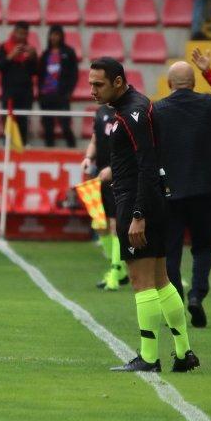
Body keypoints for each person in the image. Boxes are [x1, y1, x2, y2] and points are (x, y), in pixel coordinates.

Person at [88, 57, 199, 373]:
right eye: (91, 83)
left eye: (99, 84)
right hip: (152, 199)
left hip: (137, 202)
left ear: (118, 82)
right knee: (162, 280)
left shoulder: (131, 113)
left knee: (141, 282)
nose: (93, 90)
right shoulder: (135, 106)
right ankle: (183, 352)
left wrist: (138, 213)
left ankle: (149, 357)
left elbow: (146, 164)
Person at [154, 62, 211, 326]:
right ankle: (197, 294)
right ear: (194, 83)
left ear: (169, 84)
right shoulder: (208, 105)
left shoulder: (157, 109)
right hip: (206, 190)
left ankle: (176, 304)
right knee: (203, 247)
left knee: (171, 251)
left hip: (170, 192)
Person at [83, 98, 128, 290]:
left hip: (120, 176)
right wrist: (88, 157)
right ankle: (120, 270)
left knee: (115, 225)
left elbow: (131, 148)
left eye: (100, 85)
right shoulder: (101, 111)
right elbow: (95, 139)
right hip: (100, 175)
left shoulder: (127, 112)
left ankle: (115, 273)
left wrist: (113, 168)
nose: (96, 91)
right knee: (99, 224)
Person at [0, 22, 38, 143]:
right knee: (8, 121)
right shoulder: (4, 47)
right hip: (9, 92)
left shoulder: (30, 50)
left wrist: (33, 58)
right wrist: (11, 56)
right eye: (20, 33)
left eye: (25, 34)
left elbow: (35, 72)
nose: (22, 36)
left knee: (23, 122)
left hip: (26, 93)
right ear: (14, 32)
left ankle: (22, 146)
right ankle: (8, 147)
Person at [38, 25, 79, 148]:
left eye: (56, 34)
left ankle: (73, 151)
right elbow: (40, 75)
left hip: (61, 95)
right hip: (46, 96)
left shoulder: (69, 52)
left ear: (61, 36)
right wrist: (40, 93)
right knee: (48, 128)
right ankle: (48, 153)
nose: (54, 37)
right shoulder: (45, 54)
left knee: (65, 126)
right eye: (52, 34)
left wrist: (69, 92)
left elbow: (74, 74)